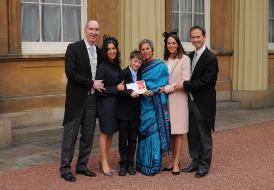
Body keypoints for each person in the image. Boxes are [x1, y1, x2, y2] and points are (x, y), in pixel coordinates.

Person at [60, 20, 104, 182]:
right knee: (70, 135)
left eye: (96, 29)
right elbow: (71, 73)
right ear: (85, 30)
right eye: (91, 29)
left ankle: (82, 165)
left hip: (93, 99)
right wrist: (92, 83)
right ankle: (65, 168)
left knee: (88, 134)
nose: (94, 32)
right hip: (76, 99)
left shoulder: (100, 52)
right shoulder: (74, 48)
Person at [181, 25, 219, 178]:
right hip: (189, 100)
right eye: (193, 37)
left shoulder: (211, 58)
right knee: (192, 134)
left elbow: (206, 82)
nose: (195, 40)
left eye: (198, 37)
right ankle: (195, 161)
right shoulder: (190, 56)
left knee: (204, 135)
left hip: (203, 103)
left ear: (204, 37)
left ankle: (204, 165)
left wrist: (185, 85)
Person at [136, 39, 170, 176]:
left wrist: (153, 90)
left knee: (154, 131)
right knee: (143, 131)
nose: (145, 51)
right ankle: (141, 163)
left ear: (152, 50)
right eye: (142, 49)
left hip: (155, 103)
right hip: (143, 103)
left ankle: (154, 164)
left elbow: (164, 83)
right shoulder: (140, 66)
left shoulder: (160, 65)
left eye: (147, 49)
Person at [160, 30, 191, 175]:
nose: (171, 45)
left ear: (178, 44)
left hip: (179, 99)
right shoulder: (165, 61)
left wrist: (166, 88)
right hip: (166, 101)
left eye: (174, 43)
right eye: (169, 43)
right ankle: (173, 161)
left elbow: (185, 81)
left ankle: (177, 163)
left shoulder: (185, 59)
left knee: (178, 132)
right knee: (170, 131)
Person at [95, 35, 125, 176]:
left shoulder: (115, 64)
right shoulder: (102, 66)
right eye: (109, 49)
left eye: (114, 48)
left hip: (115, 104)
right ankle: (104, 162)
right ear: (105, 52)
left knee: (110, 132)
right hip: (105, 104)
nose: (112, 51)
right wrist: (116, 89)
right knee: (105, 133)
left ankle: (104, 161)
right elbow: (99, 90)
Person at [117, 50, 143, 176]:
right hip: (123, 113)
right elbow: (119, 90)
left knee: (133, 139)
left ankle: (130, 164)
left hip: (136, 113)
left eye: (139, 62)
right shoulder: (123, 73)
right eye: (135, 61)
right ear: (130, 60)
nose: (137, 64)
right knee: (123, 139)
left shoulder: (141, 75)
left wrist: (145, 92)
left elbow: (141, 90)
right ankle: (122, 164)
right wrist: (129, 93)